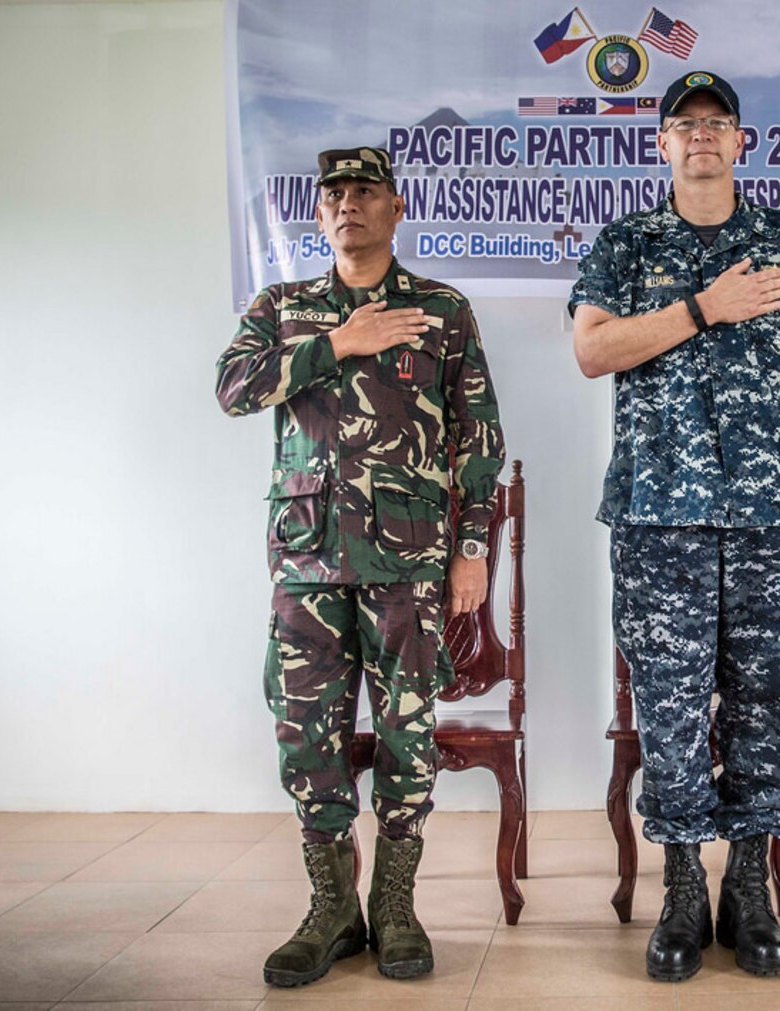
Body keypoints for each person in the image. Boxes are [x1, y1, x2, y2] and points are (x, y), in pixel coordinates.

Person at [569, 71, 780, 981]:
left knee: (770, 698)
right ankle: (685, 884)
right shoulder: (628, 242)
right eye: (682, 124)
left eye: (715, 123)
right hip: (659, 516)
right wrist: (701, 308)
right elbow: (591, 350)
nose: (698, 136)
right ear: (660, 145)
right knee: (674, 705)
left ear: (741, 143)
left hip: (773, 517)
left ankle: (751, 887)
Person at [215, 146, 505, 985]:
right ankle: (331, 907)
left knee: (409, 734)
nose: (348, 205)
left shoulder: (441, 310)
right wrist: (337, 343)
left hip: (410, 560)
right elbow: (233, 389)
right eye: (334, 194)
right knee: (309, 734)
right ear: (318, 215)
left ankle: (394, 906)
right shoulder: (282, 307)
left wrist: (474, 547)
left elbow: (476, 436)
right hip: (307, 558)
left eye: (365, 191)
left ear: (395, 207)